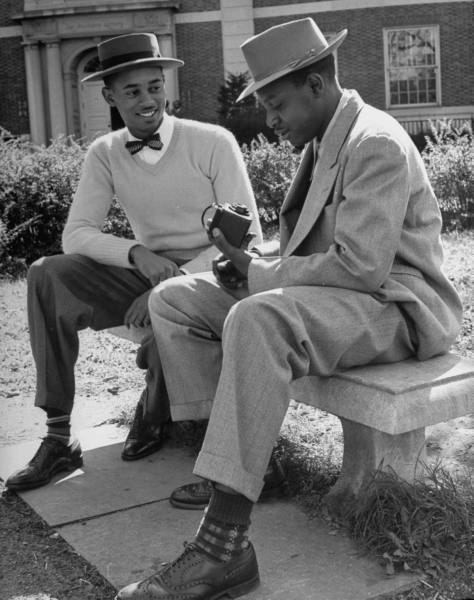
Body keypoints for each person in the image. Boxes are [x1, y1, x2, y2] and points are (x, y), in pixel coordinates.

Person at [114, 17, 463, 600]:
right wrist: (250, 259)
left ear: (317, 86)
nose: (270, 120)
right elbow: (314, 244)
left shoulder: (372, 141)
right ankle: (243, 460)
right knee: (173, 298)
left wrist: (260, 275)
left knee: (256, 315)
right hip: (340, 300)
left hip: (396, 307)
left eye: (277, 104)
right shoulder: (327, 135)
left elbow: (361, 266)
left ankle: (222, 547)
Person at [5, 32, 262, 492]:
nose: (147, 100)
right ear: (109, 96)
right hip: (148, 271)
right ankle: (59, 437)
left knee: (167, 329)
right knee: (47, 273)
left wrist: (167, 287)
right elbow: (76, 234)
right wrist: (136, 255)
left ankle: (156, 408)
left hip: (214, 277)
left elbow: (249, 238)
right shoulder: (104, 153)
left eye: (154, 86)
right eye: (132, 91)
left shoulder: (213, 142)